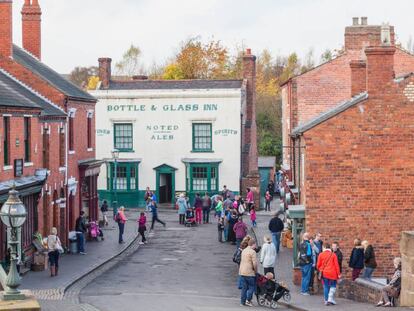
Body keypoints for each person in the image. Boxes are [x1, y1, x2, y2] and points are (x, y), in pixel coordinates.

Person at [239, 239, 258, 307]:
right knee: (251, 287)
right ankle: (248, 300)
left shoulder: (244, 250)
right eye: (255, 244)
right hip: (249, 272)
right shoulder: (253, 252)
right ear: (252, 244)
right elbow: (255, 263)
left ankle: (242, 302)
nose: (256, 246)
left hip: (242, 271)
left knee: (244, 288)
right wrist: (256, 271)